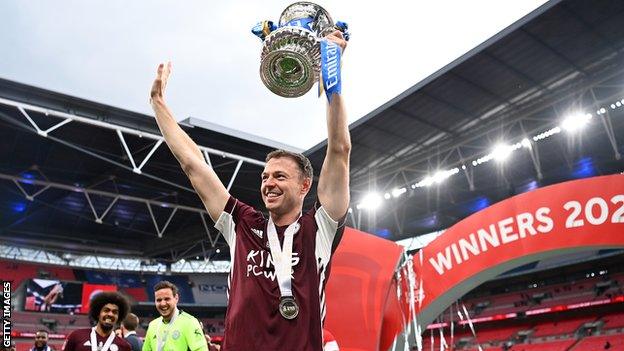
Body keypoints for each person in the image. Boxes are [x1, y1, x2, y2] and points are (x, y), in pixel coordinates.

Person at [149, 29, 350, 351]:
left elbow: (339, 149)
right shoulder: (242, 223)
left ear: (304, 185)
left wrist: (332, 72)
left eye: (280, 176)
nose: (268, 183)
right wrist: (158, 105)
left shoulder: (320, 227)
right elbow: (194, 166)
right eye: (264, 176)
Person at [142, 281, 207, 351]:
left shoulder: (190, 322)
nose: (163, 303)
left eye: (167, 299)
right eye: (159, 300)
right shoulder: (153, 325)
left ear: (176, 298)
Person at [62, 291, 131, 351]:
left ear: (118, 317)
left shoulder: (124, 346)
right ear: (98, 313)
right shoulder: (76, 336)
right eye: (106, 310)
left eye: (115, 312)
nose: (110, 314)